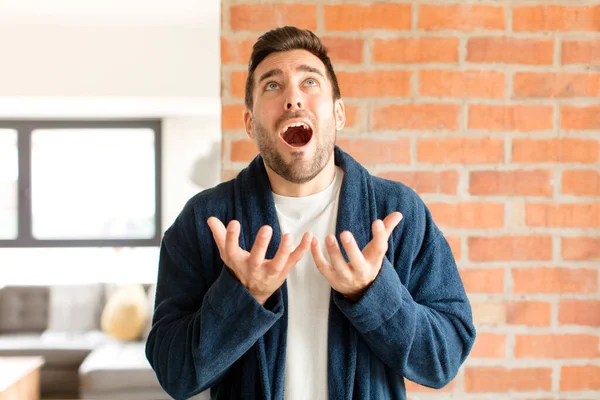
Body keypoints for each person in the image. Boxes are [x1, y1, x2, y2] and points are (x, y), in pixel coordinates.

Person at [146, 25, 476, 400]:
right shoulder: (205, 221)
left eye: (310, 82)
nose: (292, 99)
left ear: (338, 113)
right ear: (250, 124)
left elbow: (443, 359)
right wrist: (243, 297)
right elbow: (174, 374)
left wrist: (373, 292)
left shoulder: (397, 213)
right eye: (272, 85)